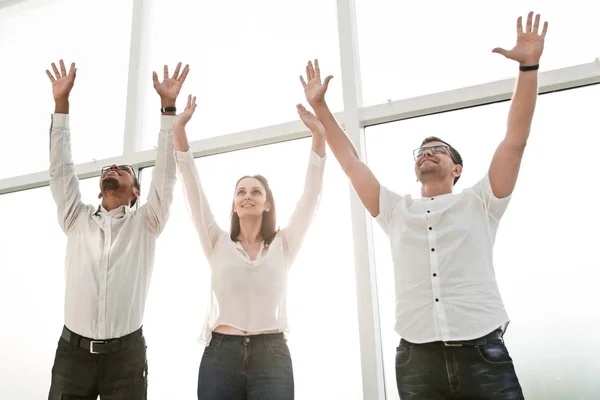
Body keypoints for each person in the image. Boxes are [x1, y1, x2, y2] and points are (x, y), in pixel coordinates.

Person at [299, 11, 548, 400]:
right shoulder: (397, 211)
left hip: (483, 353)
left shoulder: (481, 200)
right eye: (422, 151)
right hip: (416, 363)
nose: (427, 153)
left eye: (438, 150)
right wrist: (322, 108)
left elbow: (515, 137)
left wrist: (529, 67)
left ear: (457, 169)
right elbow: (350, 161)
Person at [46, 59, 189, 399]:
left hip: (125, 359)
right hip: (72, 356)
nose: (113, 168)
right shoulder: (75, 219)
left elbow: (167, 175)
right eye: (109, 168)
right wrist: (61, 105)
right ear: (99, 188)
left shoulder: (146, 222)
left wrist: (168, 109)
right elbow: (60, 171)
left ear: (136, 191)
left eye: (124, 169)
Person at [172, 95, 326, 399]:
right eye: (240, 191)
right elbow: (193, 189)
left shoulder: (283, 244)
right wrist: (179, 130)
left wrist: (319, 137)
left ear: (267, 204)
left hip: (271, 355)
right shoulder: (217, 241)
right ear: (233, 204)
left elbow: (311, 197)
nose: (247, 195)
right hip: (221, 355)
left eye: (256, 192)